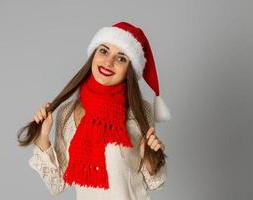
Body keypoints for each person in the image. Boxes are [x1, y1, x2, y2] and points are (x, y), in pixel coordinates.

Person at [17, 21, 171, 200]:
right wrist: (42, 138)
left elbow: (155, 183)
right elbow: (57, 184)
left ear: (129, 69)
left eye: (121, 58)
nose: (108, 62)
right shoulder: (67, 113)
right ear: (94, 55)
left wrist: (152, 159)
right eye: (104, 51)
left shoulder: (141, 111)